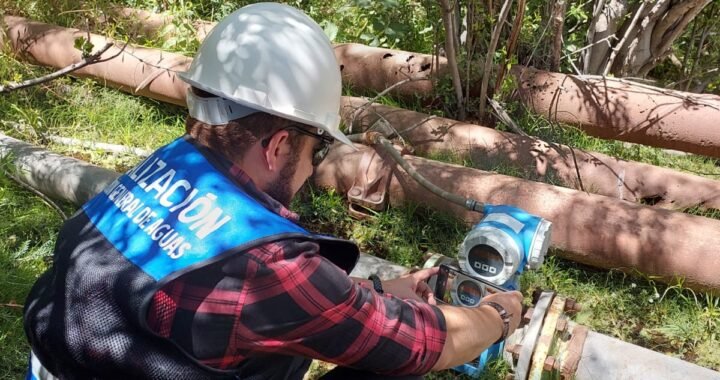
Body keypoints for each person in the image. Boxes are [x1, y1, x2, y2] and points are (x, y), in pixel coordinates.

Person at [23, 3, 523, 379]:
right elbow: (423, 343)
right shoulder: (266, 267)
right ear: (279, 145)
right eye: (316, 151)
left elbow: (263, 301)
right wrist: (497, 315)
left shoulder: (164, 167)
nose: (311, 170)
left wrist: (371, 293)